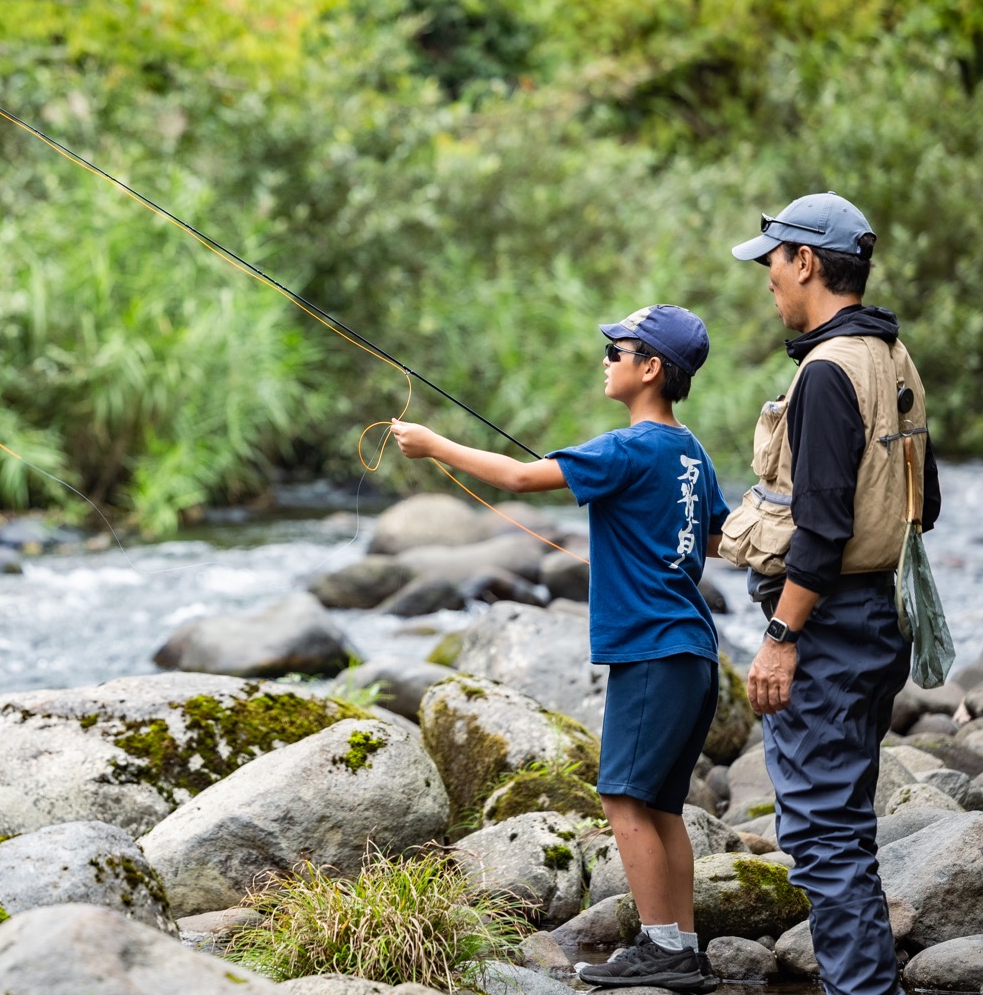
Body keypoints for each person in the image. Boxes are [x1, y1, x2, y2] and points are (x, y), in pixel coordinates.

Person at [390, 304, 727, 992]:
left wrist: (434, 445)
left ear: (651, 368)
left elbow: (518, 480)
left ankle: (663, 948)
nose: (607, 359)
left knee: (623, 799)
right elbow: (717, 538)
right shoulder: (691, 453)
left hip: (651, 653)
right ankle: (682, 948)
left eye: (618, 350)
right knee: (661, 805)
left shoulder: (625, 449)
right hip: (692, 651)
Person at [724, 192, 938, 995]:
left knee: (820, 833)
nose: (768, 280)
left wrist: (781, 636)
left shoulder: (824, 373)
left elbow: (820, 531)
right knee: (843, 825)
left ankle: (863, 991)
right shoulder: (892, 356)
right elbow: (928, 500)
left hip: (827, 627)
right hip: (880, 619)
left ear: (806, 262)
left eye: (772, 263)